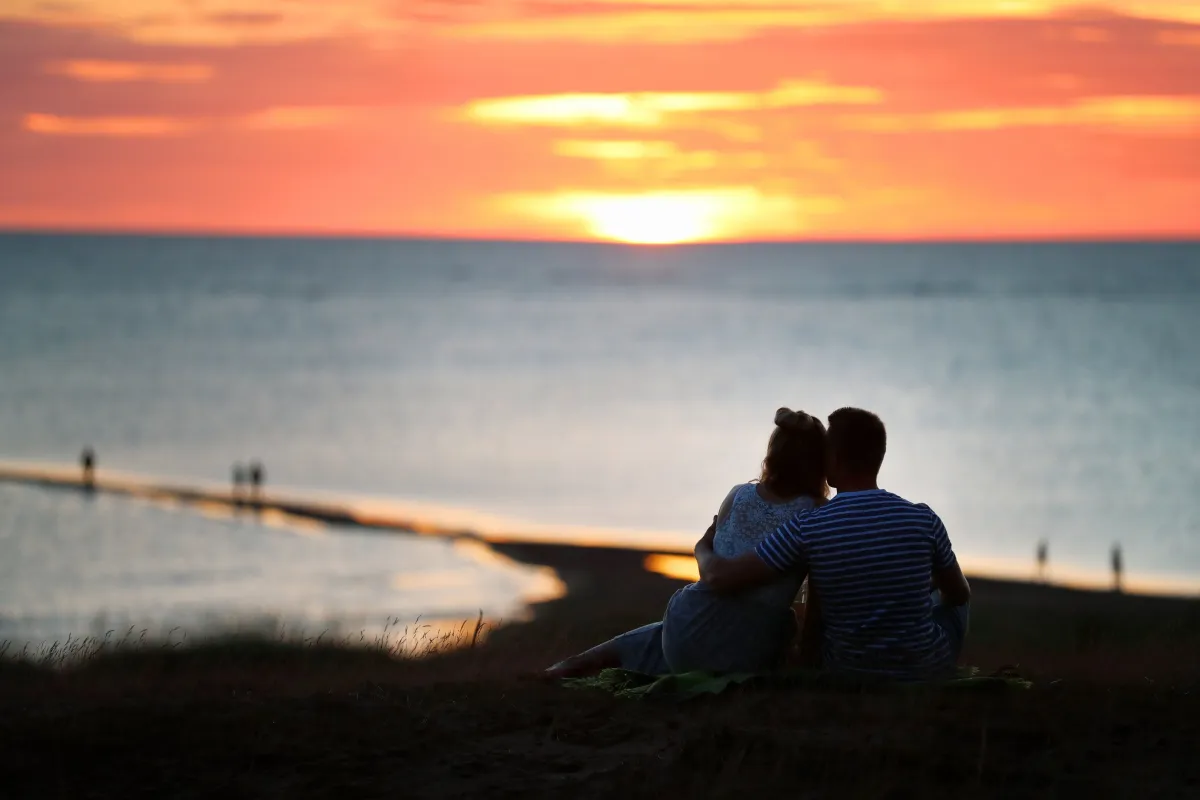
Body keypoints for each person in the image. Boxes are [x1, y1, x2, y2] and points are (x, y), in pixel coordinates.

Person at [545, 408, 829, 677]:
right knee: (778, 621)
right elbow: (817, 603)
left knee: (650, 640)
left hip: (689, 624)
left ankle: (564, 668)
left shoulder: (739, 495)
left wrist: (700, 548)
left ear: (772, 455)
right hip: (748, 648)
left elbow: (714, 569)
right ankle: (570, 667)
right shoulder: (816, 514)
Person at [695, 407, 971, 681]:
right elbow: (958, 595)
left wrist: (703, 547)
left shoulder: (811, 524)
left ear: (835, 458)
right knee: (951, 598)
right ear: (878, 458)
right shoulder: (924, 518)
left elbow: (723, 576)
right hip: (925, 669)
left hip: (847, 671)